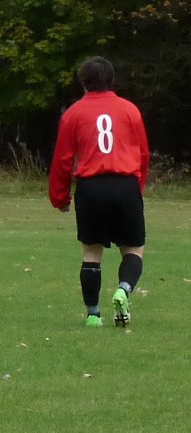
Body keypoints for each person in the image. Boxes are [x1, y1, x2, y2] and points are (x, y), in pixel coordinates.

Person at [49, 56, 150, 327]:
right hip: (125, 185)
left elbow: (62, 160)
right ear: (111, 80)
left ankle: (93, 315)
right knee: (133, 248)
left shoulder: (73, 113)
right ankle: (123, 290)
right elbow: (143, 153)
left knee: (91, 254)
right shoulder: (129, 110)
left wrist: (60, 197)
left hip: (91, 189)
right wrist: (136, 188)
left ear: (83, 82)